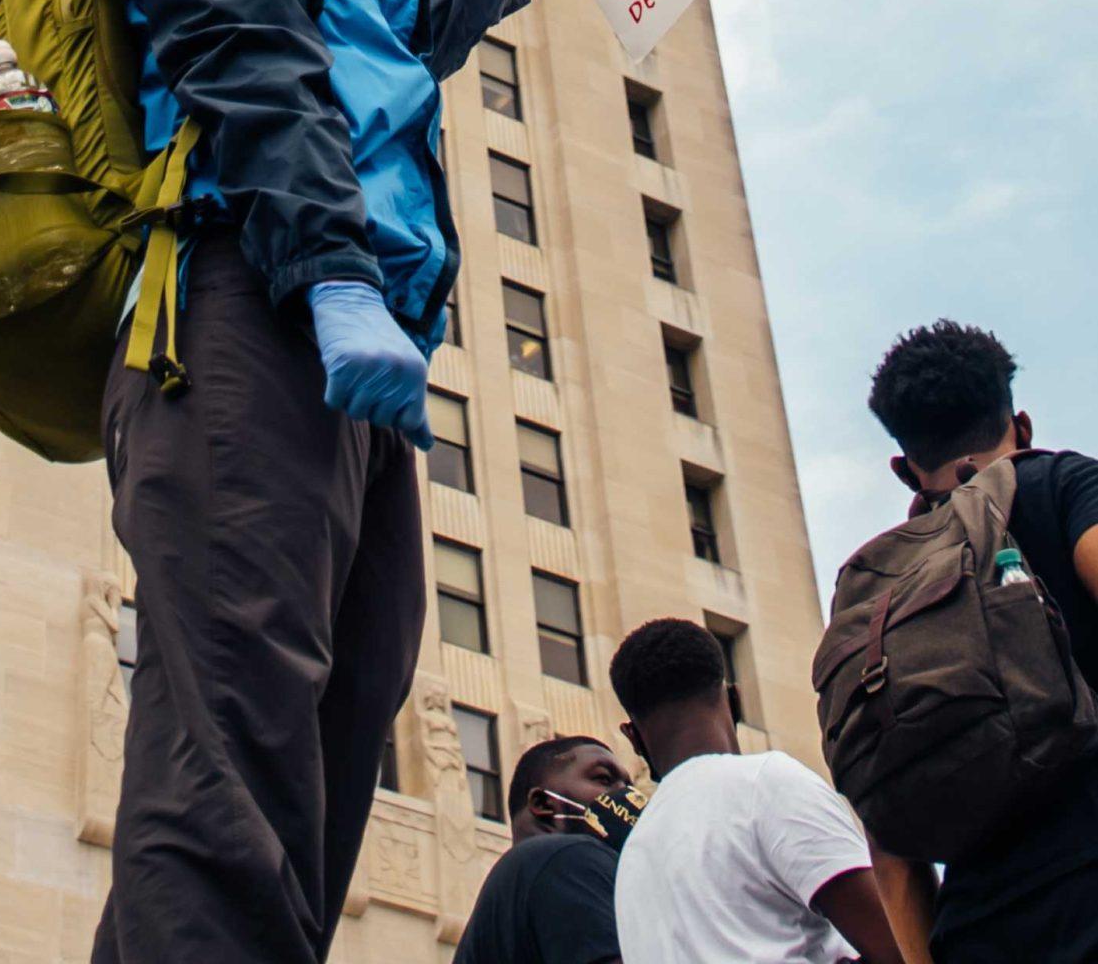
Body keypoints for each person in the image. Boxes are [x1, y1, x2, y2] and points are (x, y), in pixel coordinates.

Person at [91, 0, 566, 964]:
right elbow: (256, 68)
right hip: (248, 313)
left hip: (353, 360)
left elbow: (428, 17)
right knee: (235, 721)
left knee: (344, 706)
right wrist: (334, 279)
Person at [863, 319, 1098, 964]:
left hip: (976, 932)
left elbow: (889, 844)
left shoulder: (879, 591)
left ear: (905, 470)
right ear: (1021, 427)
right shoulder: (1062, 485)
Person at [607, 617, 902, 964]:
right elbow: (902, 945)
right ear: (734, 699)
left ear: (632, 737)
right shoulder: (765, 784)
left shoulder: (630, 859)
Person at [455, 734, 634, 964]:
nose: (626, 796)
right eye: (604, 779)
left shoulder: (513, 893)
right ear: (543, 804)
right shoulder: (566, 856)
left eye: (629, 788)